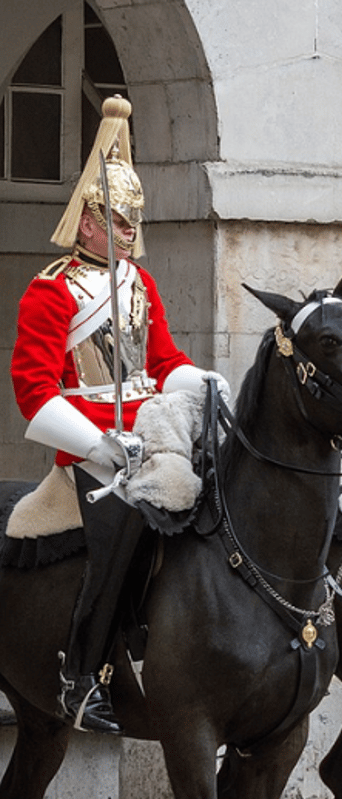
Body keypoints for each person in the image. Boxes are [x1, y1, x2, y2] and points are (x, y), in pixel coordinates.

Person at [10, 95, 226, 735]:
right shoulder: (51, 290)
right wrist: (98, 446)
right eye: (119, 221)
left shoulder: (140, 284)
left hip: (151, 437)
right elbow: (34, 391)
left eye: (135, 221)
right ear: (87, 222)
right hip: (91, 454)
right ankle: (82, 677)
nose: (131, 232)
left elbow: (162, 362)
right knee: (122, 533)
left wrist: (204, 381)